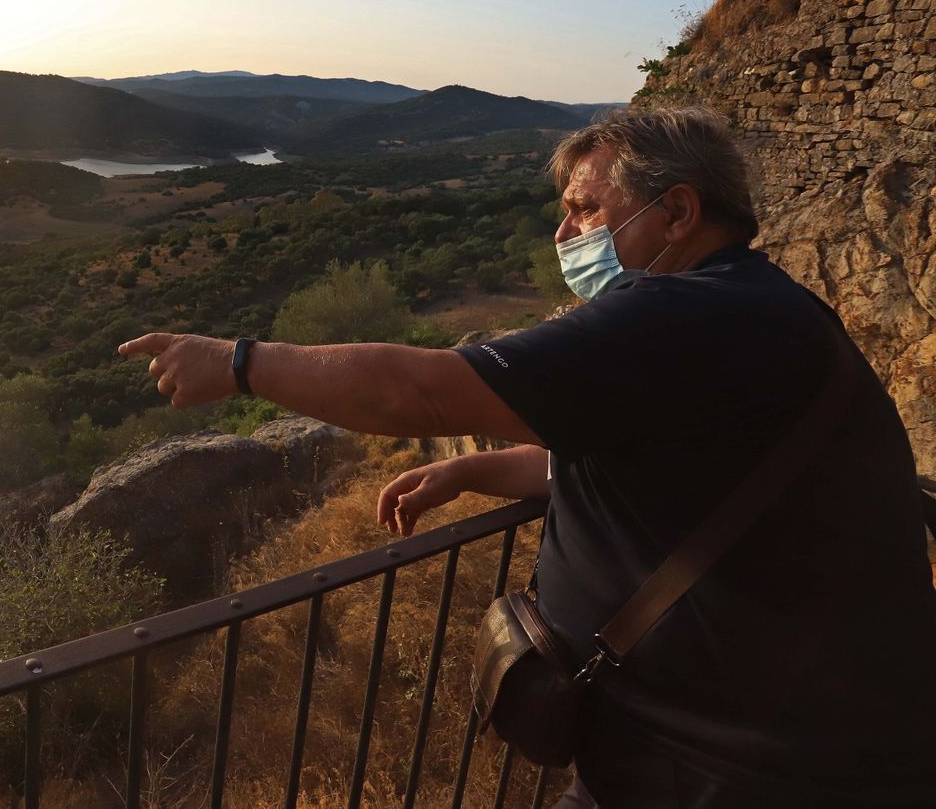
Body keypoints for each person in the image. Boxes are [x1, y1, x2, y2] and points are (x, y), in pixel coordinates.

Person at [118, 107, 936, 807]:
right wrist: (473, 470)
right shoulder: (757, 309)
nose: (564, 232)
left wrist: (238, 362)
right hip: (766, 740)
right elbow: (661, 468)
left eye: (585, 208)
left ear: (679, 212)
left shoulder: (681, 315)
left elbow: (422, 391)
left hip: (732, 768)